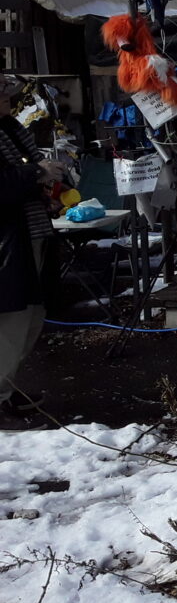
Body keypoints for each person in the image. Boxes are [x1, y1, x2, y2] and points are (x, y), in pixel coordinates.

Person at [0, 74, 61, 430]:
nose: (7, 95)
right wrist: (35, 173)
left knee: (31, 318)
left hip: (27, 232)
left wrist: (42, 188)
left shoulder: (9, 128)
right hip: (7, 242)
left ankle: (6, 388)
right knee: (9, 322)